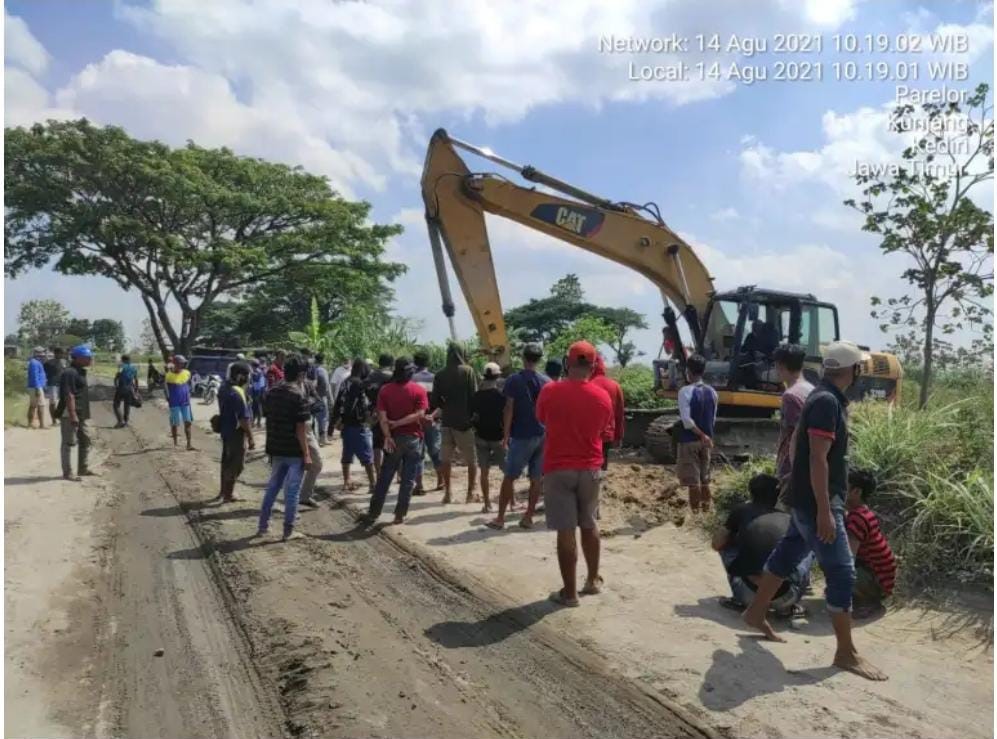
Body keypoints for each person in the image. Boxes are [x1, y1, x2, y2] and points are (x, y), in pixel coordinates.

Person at [744, 340, 887, 681]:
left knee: (789, 552)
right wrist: (824, 509)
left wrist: (794, 478)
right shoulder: (825, 401)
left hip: (806, 497)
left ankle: (755, 611)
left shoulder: (820, 396)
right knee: (842, 572)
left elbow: (797, 442)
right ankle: (845, 652)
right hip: (818, 501)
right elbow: (819, 458)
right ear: (854, 370)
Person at [535, 341, 614, 607]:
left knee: (566, 530)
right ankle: (592, 581)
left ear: (567, 363)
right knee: (590, 523)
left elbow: (543, 418)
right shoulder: (603, 396)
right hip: (590, 467)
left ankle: (569, 595)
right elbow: (604, 429)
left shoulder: (550, 391)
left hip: (558, 468)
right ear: (593, 366)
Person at [712, 473, 813, 616]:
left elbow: (716, 544)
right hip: (787, 596)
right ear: (777, 496)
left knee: (726, 543)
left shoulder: (741, 511)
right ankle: (794, 602)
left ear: (751, 493)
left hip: (747, 595)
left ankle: (738, 600)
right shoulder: (788, 518)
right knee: (807, 549)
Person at [487, 343, 549, 530]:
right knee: (536, 478)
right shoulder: (547, 382)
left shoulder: (514, 380)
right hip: (543, 434)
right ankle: (528, 517)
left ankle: (500, 518)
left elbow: (508, 408)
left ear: (523, 358)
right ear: (539, 359)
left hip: (522, 435)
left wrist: (505, 435)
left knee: (510, 476)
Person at [363, 356, 429, 526]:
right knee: (407, 480)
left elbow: (382, 417)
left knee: (385, 476)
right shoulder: (418, 390)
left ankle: (373, 512)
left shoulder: (385, 390)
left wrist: (388, 436)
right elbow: (420, 414)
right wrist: (401, 423)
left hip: (392, 439)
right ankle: (399, 515)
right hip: (413, 439)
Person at [258, 355, 313, 541]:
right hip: (293, 450)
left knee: (272, 487)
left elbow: (267, 418)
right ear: (301, 375)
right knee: (292, 491)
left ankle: (262, 525)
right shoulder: (298, 395)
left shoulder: (272, 392)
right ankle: (288, 530)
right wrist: (306, 454)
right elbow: (300, 429)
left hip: (275, 447)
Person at [845, 469, 897, 618]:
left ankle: (868, 602)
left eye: (844, 486)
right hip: (881, 576)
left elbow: (849, 557)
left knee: (835, 566)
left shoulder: (857, 518)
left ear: (856, 492)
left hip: (878, 580)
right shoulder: (863, 512)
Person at [431, 344, 479, 504]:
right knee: (472, 460)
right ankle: (470, 493)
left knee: (446, 459)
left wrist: (447, 405)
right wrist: (473, 418)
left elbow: (435, 401)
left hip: (447, 422)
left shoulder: (440, 374)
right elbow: (474, 396)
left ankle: (448, 493)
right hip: (464, 423)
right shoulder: (468, 371)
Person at [773, 344, 814, 506]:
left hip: (792, 469)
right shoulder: (811, 389)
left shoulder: (790, 396)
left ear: (780, 365)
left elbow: (796, 435)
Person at [676, 354, 718, 513]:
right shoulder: (713, 392)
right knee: (705, 479)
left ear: (689, 371)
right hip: (706, 442)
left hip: (690, 440)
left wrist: (701, 435)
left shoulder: (685, 392)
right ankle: (706, 513)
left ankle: (695, 515)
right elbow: (712, 418)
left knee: (693, 481)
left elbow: (687, 421)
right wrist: (707, 436)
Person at [332, 359, 377, 493]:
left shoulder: (346, 381)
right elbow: (355, 404)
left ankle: (346, 482)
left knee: (347, 453)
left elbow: (338, 401)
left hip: (347, 425)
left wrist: (336, 421)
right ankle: (373, 484)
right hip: (357, 424)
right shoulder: (359, 384)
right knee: (367, 455)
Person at [217, 361, 255, 503]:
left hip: (225, 430)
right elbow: (244, 420)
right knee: (236, 464)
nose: (248, 379)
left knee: (226, 461)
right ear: (240, 376)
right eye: (246, 376)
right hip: (236, 433)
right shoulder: (237, 393)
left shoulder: (224, 388)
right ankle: (229, 494)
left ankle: (223, 491)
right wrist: (251, 438)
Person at [471, 362, 506, 513]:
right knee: (507, 472)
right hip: (498, 438)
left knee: (484, 472)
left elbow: (474, 416)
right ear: (498, 377)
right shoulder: (501, 396)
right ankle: (511, 502)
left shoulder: (476, 396)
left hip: (481, 437)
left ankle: (487, 504)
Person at [56, 345, 94, 480]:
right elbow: (69, 395)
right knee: (68, 443)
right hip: (70, 412)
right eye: (87, 357)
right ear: (77, 358)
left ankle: (83, 468)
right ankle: (67, 472)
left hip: (80, 412)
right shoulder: (69, 373)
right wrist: (73, 415)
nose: (90, 359)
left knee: (85, 439)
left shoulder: (80, 371)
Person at [412, 349, 443, 495]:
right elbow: (442, 401)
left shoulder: (411, 379)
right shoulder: (435, 378)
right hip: (433, 420)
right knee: (435, 451)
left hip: (416, 421)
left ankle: (419, 485)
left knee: (418, 453)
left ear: (415, 362)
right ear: (428, 363)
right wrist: (432, 416)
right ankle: (441, 481)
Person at [590, 354, 625, 473]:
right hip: (607, 434)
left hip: (589, 435)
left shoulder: (587, 384)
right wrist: (619, 436)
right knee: (602, 464)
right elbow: (619, 414)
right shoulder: (615, 386)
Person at [297, 369, 326, 510]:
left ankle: (304, 496)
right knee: (293, 467)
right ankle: (294, 502)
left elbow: (319, 402)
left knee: (317, 463)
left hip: (307, 428)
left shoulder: (307, 385)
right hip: (290, 430)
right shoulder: (283, 388)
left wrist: (308, 405)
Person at [365, 353, 394, 472]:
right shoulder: (392, 377)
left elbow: (365, 394)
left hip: (374, 414)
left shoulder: (370, 377)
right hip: (390, 413)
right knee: (392, 441)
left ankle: (378, 473)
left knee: (377, 445)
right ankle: (398, 475)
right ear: (392, 364)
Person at [166, 355, 195, 450]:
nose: (181, 365)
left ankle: (189, 444)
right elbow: (165, 388)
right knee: (175, 423)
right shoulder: (169, 375)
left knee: (188, 422)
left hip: (185, 402)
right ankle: (175, 443)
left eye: (182, 363)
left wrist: (189, 392)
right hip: (174, 403)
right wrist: (168, 398)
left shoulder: (187, 373)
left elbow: (189, 384)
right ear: (175, 364)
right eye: (180, 363)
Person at [112, 354, 140, 428]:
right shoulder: (134, 368)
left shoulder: (121, 367)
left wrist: (116, 386)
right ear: (129, 360)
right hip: (130, 389)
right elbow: (136, 379)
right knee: (127, 405)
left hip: (121, 388)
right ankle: (126, 422)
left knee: (116, 404)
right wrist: (136, 389)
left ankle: (120, 421)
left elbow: (116, 378)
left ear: (123, 360)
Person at [311, 353, 332, 445]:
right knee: (323, 418)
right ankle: (322, 439)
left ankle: (313, 439)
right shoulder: (322, 370)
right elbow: (326, 386)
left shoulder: (311, 369)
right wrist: (330, 398)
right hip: (321, 397)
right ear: (323, 360)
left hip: (311, 397)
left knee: (312, 419)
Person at [26, 346, 47, 429]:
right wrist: (37, 388)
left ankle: (30, 424)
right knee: (40, 405)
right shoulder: (34, 363)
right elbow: (34, 376)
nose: (43, 354)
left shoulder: (36, 362)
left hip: (35, 386)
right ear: (37, 353)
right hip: (36, 387)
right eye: (41, 352)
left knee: (33, 405)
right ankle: (41, 424)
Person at [43, 347, 65, 425]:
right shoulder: (49, 363)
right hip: (52, 385)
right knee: (53, 403)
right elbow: (43, 373)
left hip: (61, 385)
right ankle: (53, 420)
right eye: (61, 353)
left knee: (62, 402)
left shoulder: (62, 362)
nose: (62, 355)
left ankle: (59, 419)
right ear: (56, 353)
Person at [249, 359, 267, 428]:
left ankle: (257, 422)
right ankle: (255, 422)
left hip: (257, 392)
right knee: (256, 407)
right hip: (257, 391)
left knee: (256, 407)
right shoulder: (259, 371)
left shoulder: (257, 372)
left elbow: (258, 382)